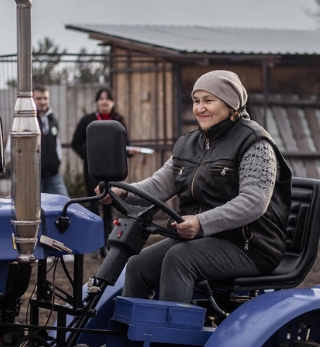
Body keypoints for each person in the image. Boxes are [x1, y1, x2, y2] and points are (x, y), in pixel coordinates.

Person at [104, 71, 292, 304]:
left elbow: (254, 202)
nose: (199, 108)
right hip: (202, 240)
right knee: (137, 265)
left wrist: (202, 223)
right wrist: (124, 191)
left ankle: (167, 337)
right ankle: (129, 339)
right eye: (196, 101)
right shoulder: (189, 144)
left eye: (208, 100)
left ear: (231, 104)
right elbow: (159, 185)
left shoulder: (255, 142)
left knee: (179, 258)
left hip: (249, 246)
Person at [72, 87, 128, 239]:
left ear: (113, 102)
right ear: (97, 102)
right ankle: (95, 240)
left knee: (110, 204)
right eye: (101, 98)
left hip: (113, 171)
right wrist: (89, 157)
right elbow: (75, 143)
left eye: (108, 99)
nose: (104, 102)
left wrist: (129, 152)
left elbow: (124, 145)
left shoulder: (118, 120)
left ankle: (109, 239)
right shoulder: (87, 120)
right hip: (93, 170)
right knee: (94, 204)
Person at [34, 85, 69, 197]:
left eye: (45, 98)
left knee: (65, 205)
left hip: (53, 175)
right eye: (39, 98)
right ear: (32, 100)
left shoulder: (52, 120)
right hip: (33, 177)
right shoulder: (26, 120)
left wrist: (58, 160)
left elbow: (57, 143)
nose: (43, 102)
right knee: (33, 211)